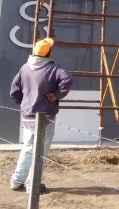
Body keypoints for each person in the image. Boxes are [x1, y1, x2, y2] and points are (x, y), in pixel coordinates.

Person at [10, 37, 73, 194]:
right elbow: (68, 79)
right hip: (45, 116)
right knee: (41, 151)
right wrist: (56, 95)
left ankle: (17, 181)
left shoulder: (25, 68)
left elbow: (14, 91)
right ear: (48, 53)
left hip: (27, 115)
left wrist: (24, 102)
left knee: (27, 148)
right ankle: (33, 184)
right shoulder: (53, 69)